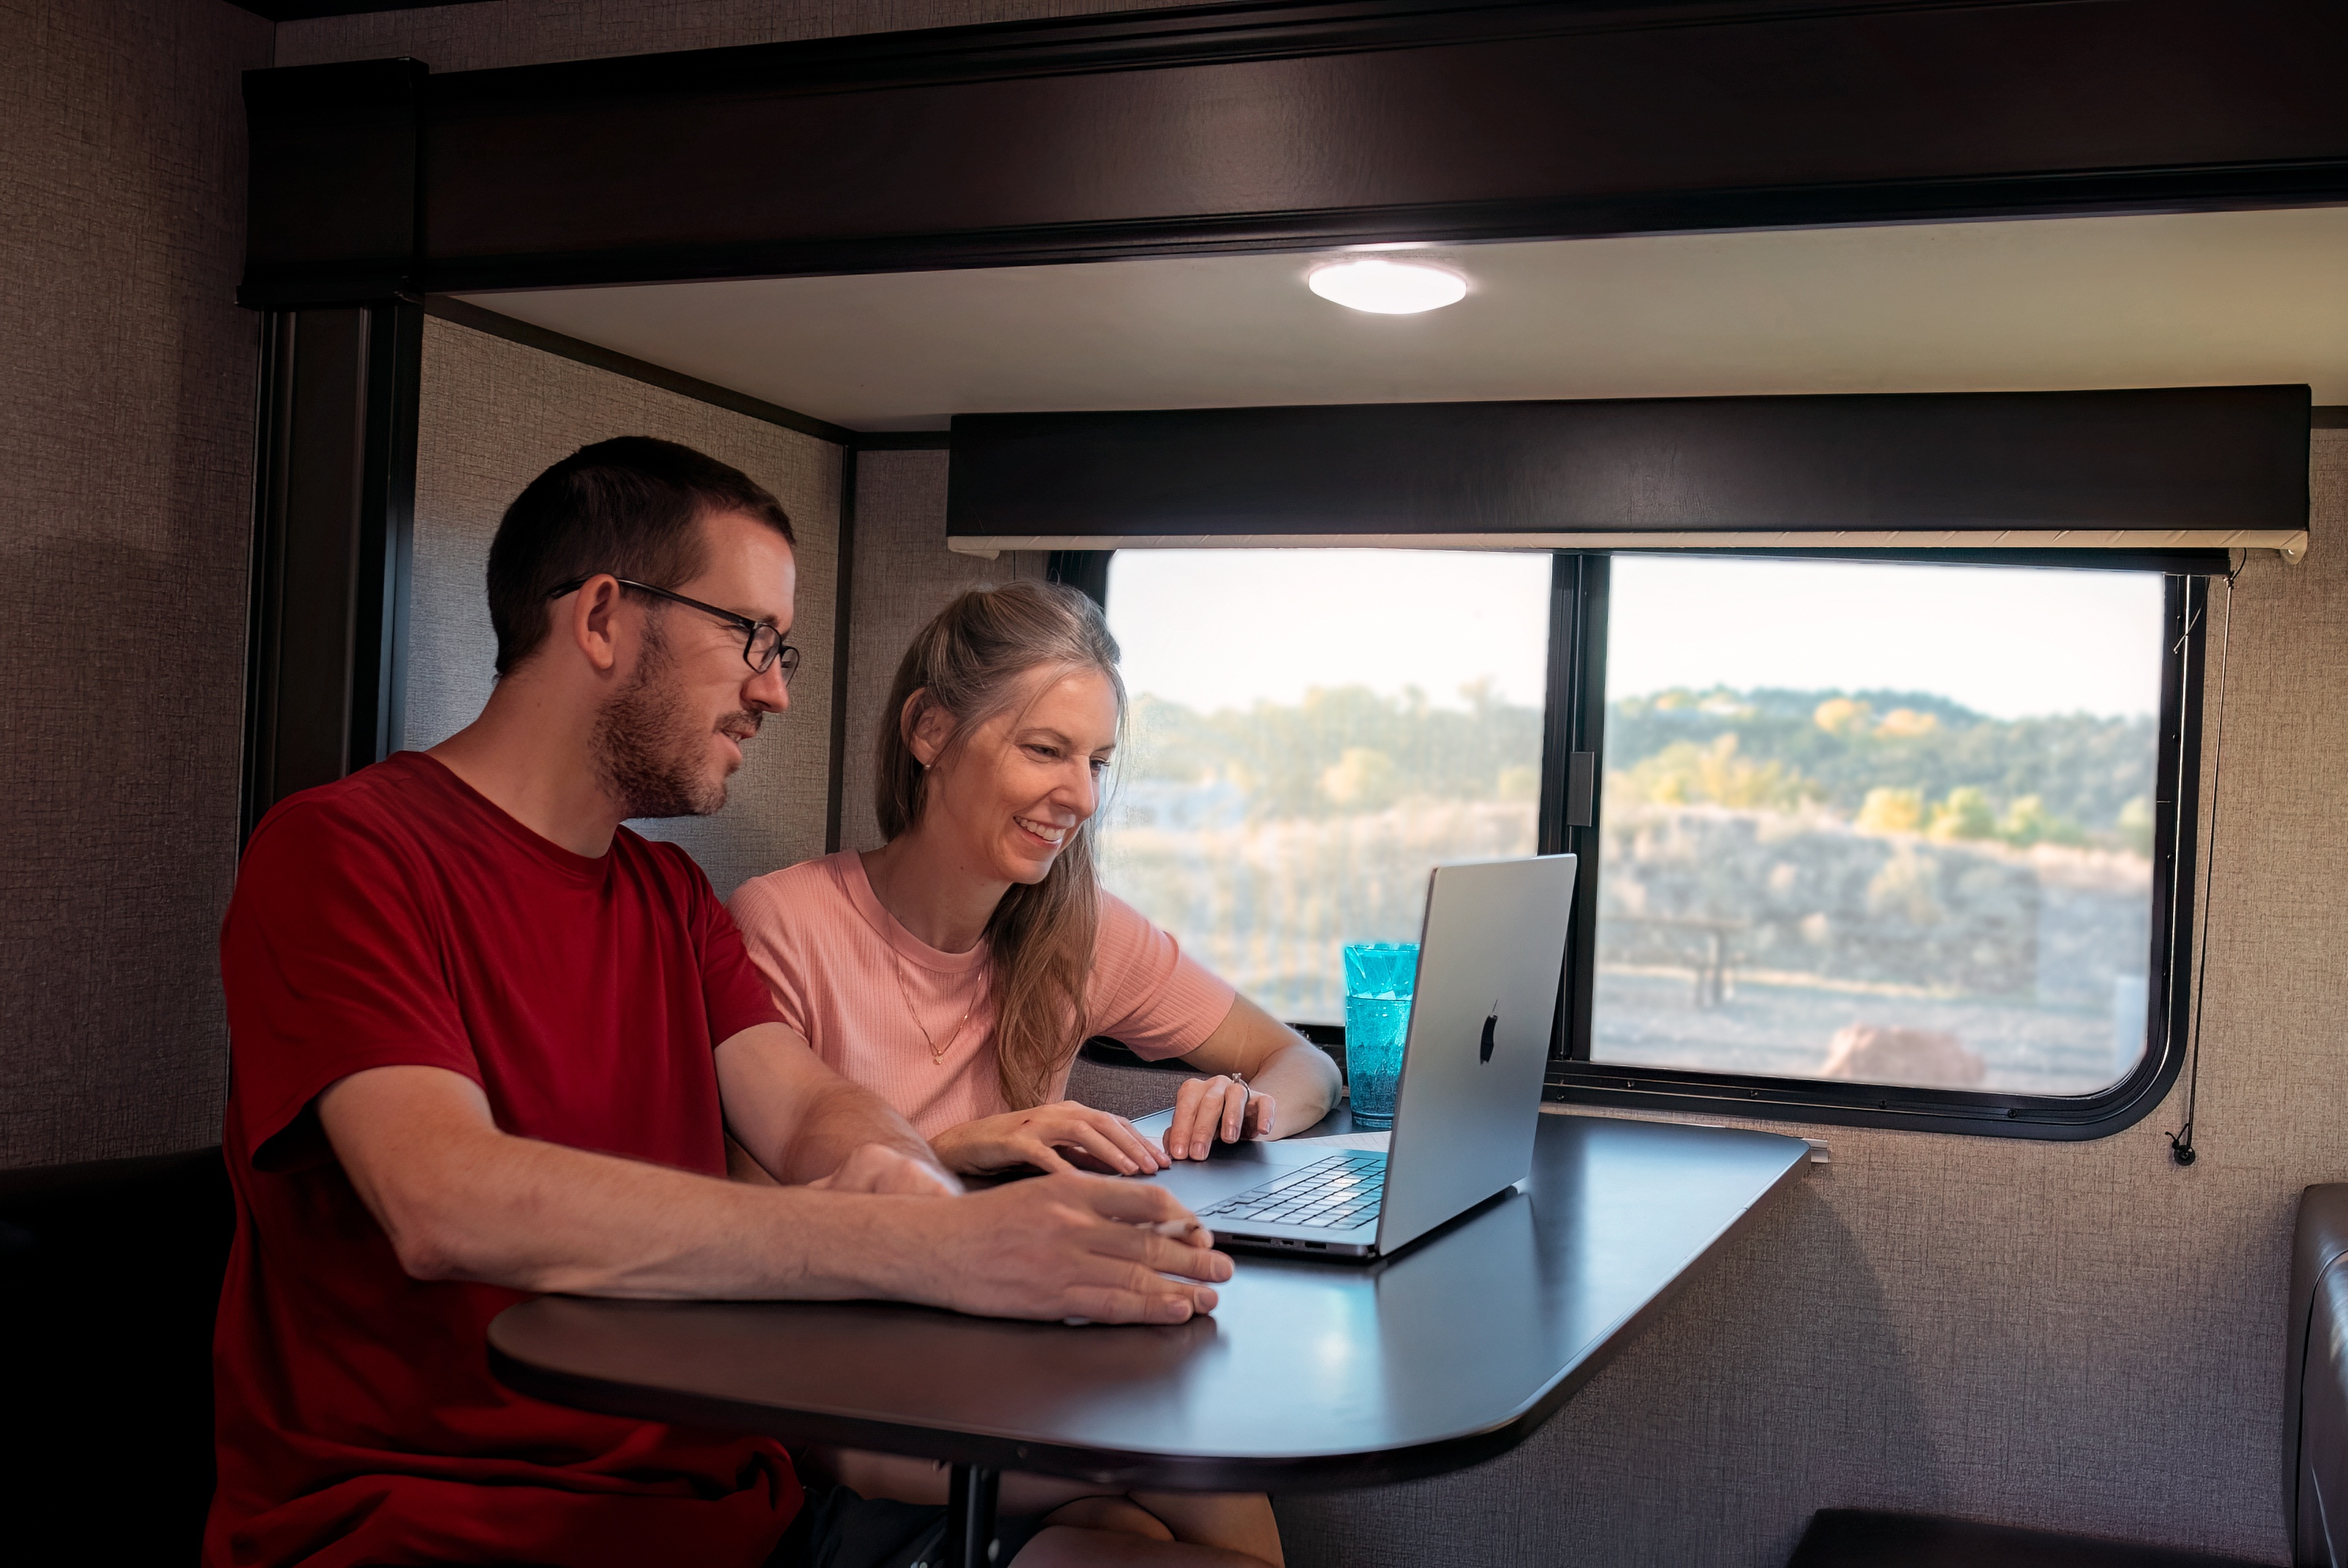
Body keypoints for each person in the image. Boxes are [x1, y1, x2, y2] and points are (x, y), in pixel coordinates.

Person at [207, 438, 1230, 1568]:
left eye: (783, 650)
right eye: (751, 637)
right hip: (453, 1528)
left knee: (1158, 1540)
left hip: (737, 1515)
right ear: (602, 616)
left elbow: (807, 1112)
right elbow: (448, 1200)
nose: (777, 689)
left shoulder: (668, 896)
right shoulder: (344, 854)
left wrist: (921, 1188)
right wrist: (919, 1249)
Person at [727, 581, 1344, 1567]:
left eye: (1097, 761)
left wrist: (1250, 1103)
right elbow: (748, 1232)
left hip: (1008, 1363)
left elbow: (1303, 1061)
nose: (1084, 797)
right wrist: (947, 1158)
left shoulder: (1075, 929)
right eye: (1046, 750)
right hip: (845, 1405)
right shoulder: (782, 925)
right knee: (1195, 1462)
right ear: (930, 730)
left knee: (1160, 1518)